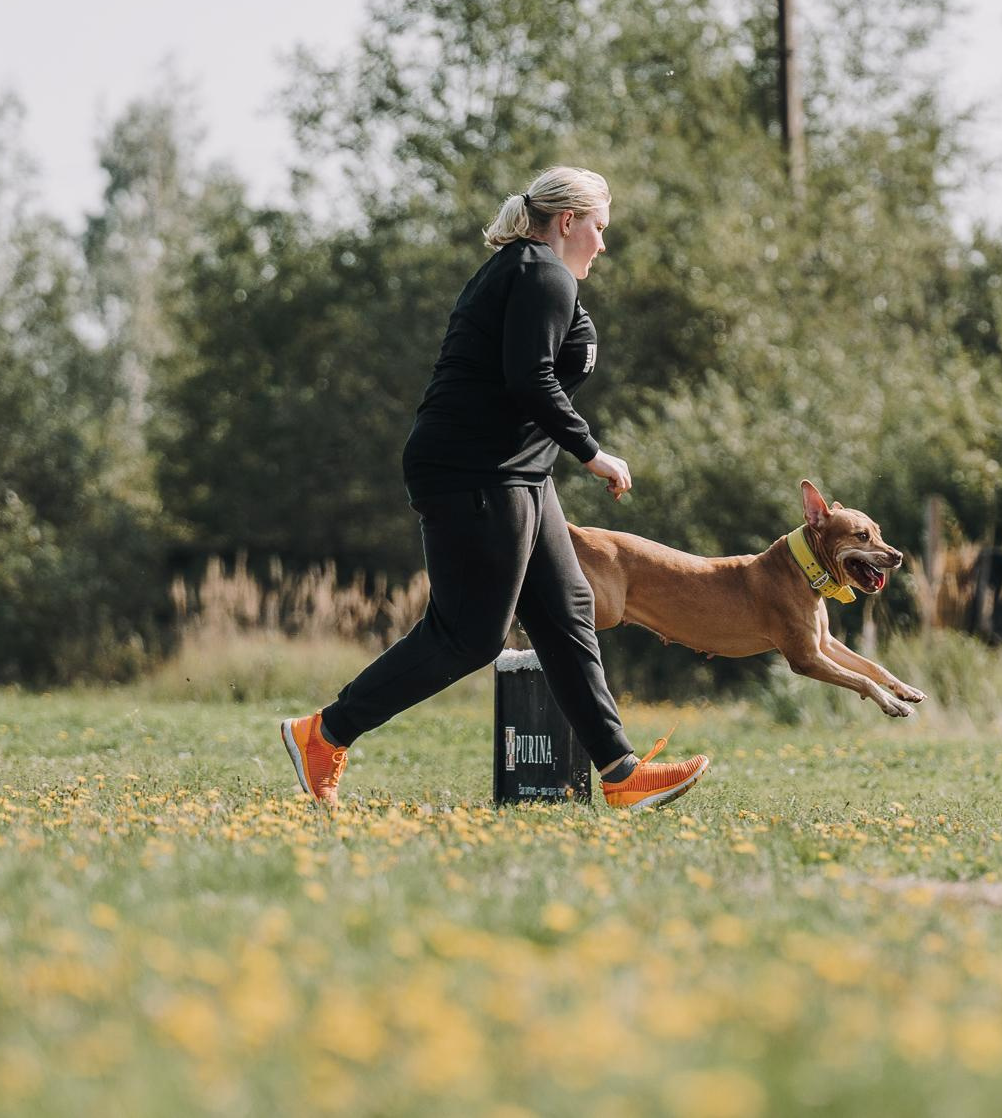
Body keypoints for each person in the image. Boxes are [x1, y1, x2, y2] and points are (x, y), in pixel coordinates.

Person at [280, 166, 709, 811]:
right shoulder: (540, 272)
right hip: (475, 472)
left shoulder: (534, 271)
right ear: (568, 222)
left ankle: (620, 773)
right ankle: (325, 733)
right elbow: (529, 378)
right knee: (468, 636)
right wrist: (592, 452)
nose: (602, 243)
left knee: (568, 615)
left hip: (521, 475)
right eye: (599, 228)